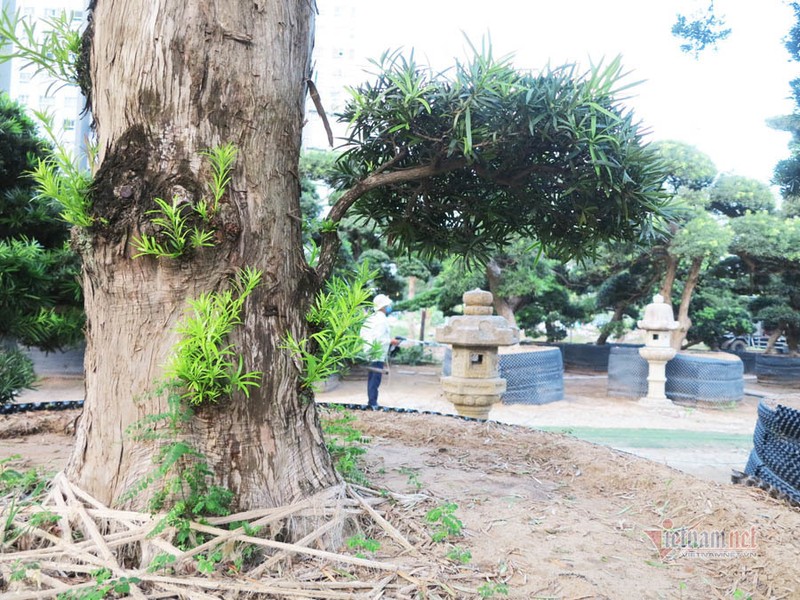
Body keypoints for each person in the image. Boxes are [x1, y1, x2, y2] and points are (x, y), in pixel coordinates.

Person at [360, 294, 399, 408]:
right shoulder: (381, 320)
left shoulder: (372, 318)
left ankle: (372, 401)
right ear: (384, 306)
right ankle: (372, 403)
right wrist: (391, 341)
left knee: (372, 378)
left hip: (372, 352)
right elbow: (379, 339)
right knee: (375, 379)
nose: (389, 306)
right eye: (388, 305)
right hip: (377, 353)